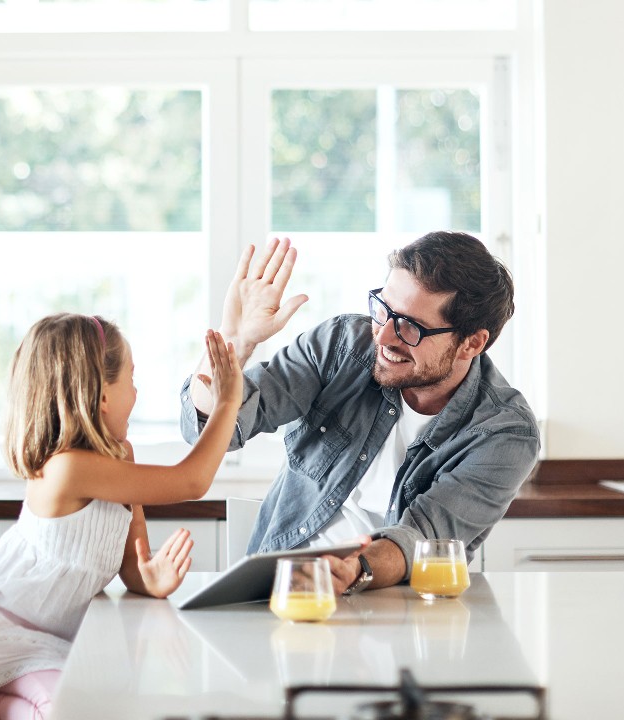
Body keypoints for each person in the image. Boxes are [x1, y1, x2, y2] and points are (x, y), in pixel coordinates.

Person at [181, 231, 539, 596]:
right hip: (282, 591)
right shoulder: (341, 345)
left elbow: (426, 537)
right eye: (383, 310)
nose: (383, 337)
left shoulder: (504, 432)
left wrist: (356, 570)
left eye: (410, 327)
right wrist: (235, 341)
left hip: (395, 611)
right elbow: (213, 433)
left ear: (472, 343)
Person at [0, 312, 243, 720]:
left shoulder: (119, 459)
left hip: (49, 641)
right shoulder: (67, 469)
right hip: (3, 637)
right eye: (131, 378)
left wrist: (149, 578)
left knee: (100, 698)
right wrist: (228, 402)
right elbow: (191, 482)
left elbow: (133, 564)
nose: (137, 391)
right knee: (72, 709)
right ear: (102, 395)